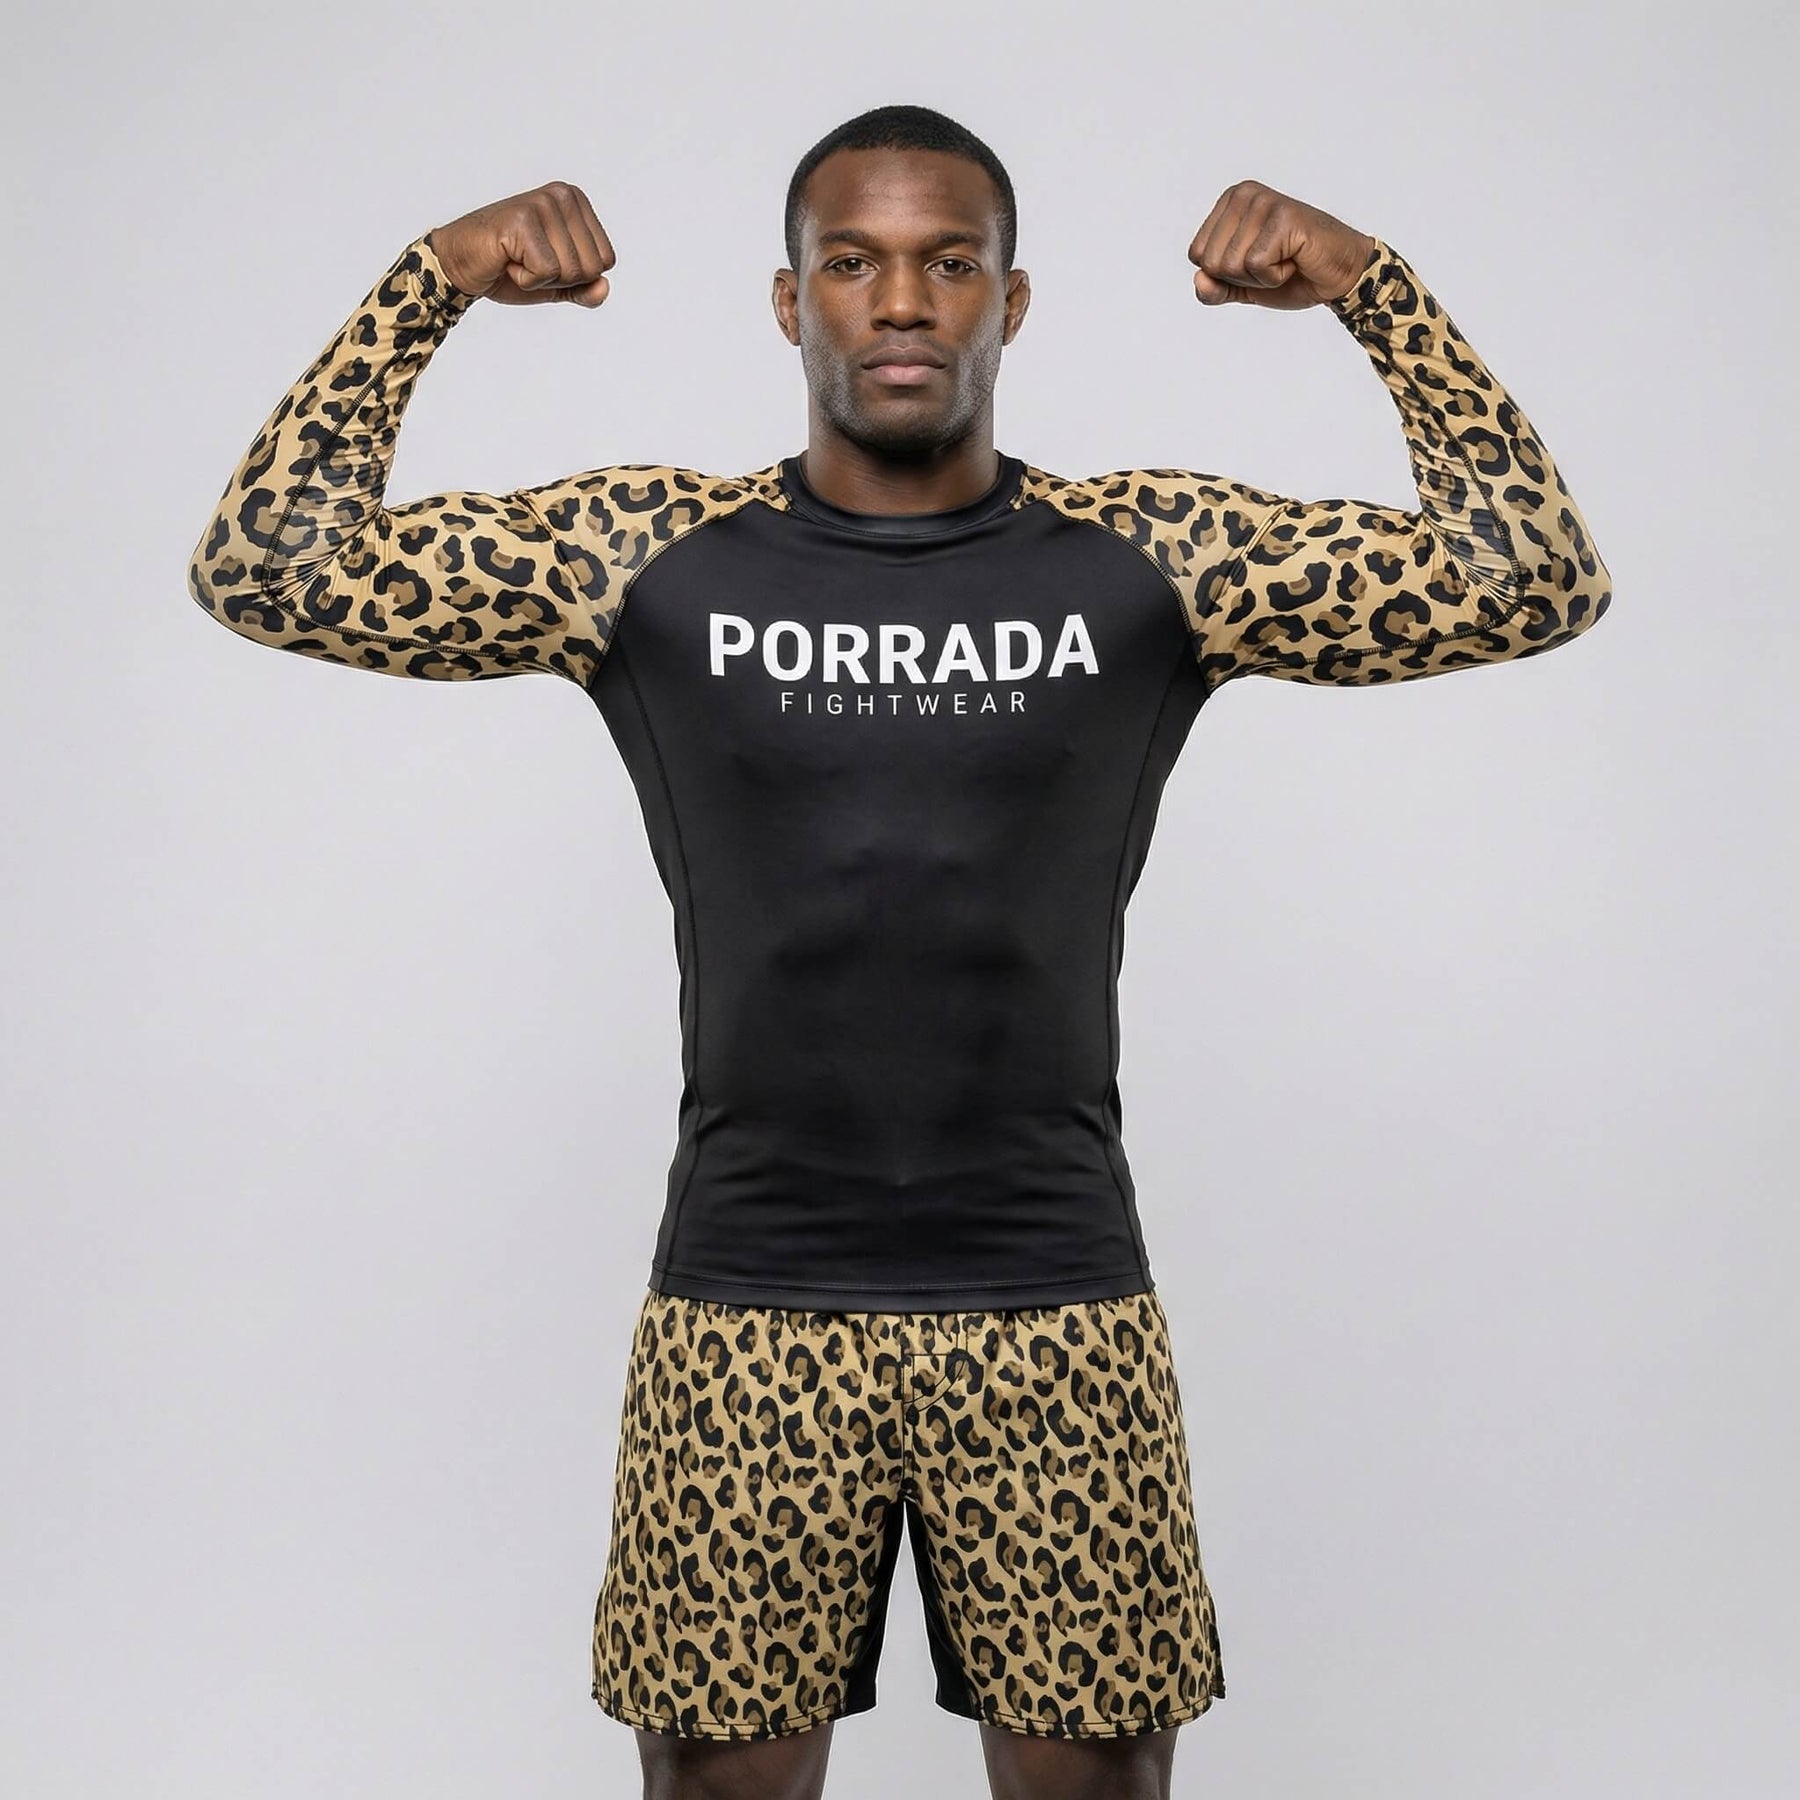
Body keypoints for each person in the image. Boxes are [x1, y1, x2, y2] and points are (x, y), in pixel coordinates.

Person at [186, 103, 1611, 1800]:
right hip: (747, 1307)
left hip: (1056, 1306)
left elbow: (1530, 580)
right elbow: (269, 569)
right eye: (852, 264)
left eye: (952, 263)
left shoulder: (1150, 562)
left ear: (1013, 304)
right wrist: (430, 280)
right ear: (791, 305)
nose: (905, 302)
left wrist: (1376, 290)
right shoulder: (645, 558)